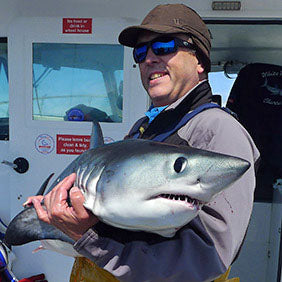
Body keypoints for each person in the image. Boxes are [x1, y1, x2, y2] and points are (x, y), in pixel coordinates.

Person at [26, 4, 260, 282]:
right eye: (141, 52)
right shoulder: (145, 128)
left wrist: (90, 237)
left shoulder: (218, 130)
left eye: (164, 46)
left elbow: (205, 260)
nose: (148, 58)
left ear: (200, 61)